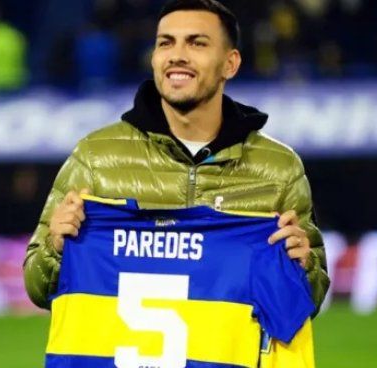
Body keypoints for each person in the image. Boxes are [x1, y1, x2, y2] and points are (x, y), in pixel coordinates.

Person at [23, 0, 329, 314]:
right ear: (154, 58)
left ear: (230, 63)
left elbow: (308, 301)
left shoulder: (279, 169)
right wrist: (55, 249)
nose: (177, 55)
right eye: (166, 43)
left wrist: (303, 267)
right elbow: (37, 287)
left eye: (197, 43)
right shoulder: (95, 158)